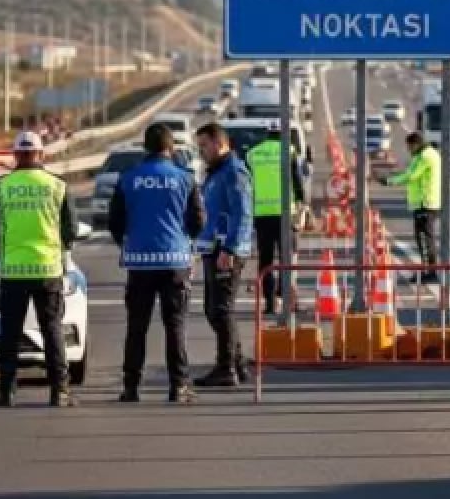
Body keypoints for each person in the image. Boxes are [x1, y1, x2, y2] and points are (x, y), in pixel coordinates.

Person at [0, 130, 79, 407]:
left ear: (15, 155)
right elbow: (70, 230)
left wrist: (6, 253)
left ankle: (6, 391)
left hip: (13, 271)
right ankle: (60, 391)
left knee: (10, 333)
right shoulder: (57, 186)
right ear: (41, 155)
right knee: (52, 330)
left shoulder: (0, 187)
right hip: (48, 271)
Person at [108, 123, 205, 404]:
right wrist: (184, 240)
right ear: (171, 148)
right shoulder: (185, 179)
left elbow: (115, 221)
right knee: (175, 325)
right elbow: (198, 221)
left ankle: (130, 387)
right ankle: (178, 386)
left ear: (145, 147)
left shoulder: (129, 178)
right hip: (175, 260)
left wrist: (129, 242)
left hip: (139, 263)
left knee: (136, 327)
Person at [192, 122, 254, 388]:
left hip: (225, 250)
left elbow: (243, 213)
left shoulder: (233, 172)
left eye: (204, 146)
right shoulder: (216, 172)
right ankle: (236, 364)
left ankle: (227, 367)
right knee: (213, 309)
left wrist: (230, 248)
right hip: (213, 248)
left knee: (221, 309)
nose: (201, 152)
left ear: (219, 143)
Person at [246, 125, 305, 314]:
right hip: (285, 214)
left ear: (267, 136)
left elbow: (248, 182)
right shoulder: (289, 151)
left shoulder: (253, 154)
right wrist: (302, 201)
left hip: (262, 214)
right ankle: (287, 298)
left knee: (266, 260)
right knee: (287, 258)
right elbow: (297, 179)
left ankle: (270, 303)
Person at [380, 131, 441, 280]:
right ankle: (427, 270)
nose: (408, 151)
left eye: (409, 147)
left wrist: (389, 181)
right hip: (424, 203)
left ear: (416, 144)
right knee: (423, 239)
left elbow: (411, 175)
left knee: (424, 239)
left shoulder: (425, 156)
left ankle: (429, 272)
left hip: (424, 203)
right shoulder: (426, 154)